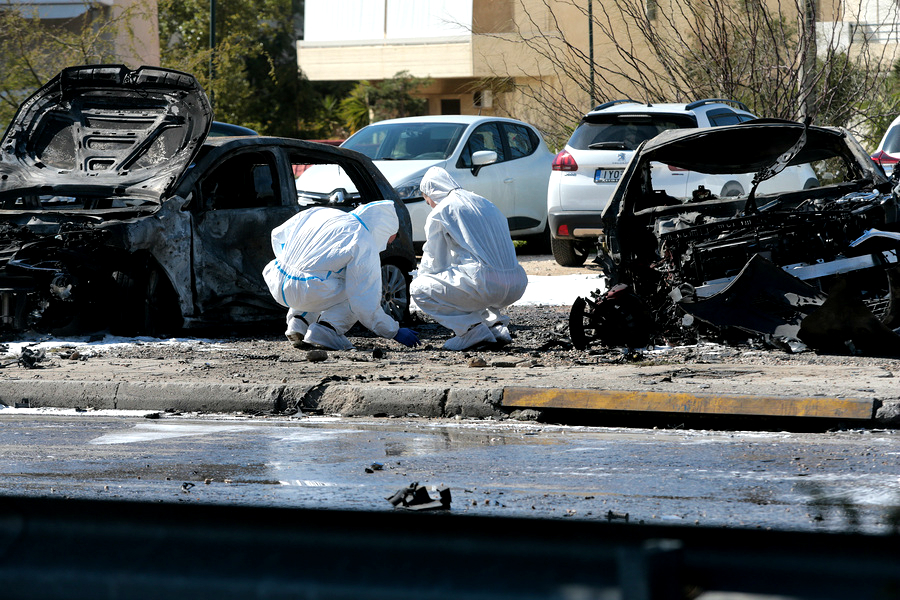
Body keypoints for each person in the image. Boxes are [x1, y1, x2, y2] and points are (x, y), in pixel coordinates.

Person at [262, 200, 420, 351]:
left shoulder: (324, 213)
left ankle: (298, 323)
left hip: (278, 280)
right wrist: (393, 331)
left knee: (318, 275)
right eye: (392, 238)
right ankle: (326, 330)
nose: (390, 244)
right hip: (309, 290)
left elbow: (277, 234)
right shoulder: (362, 238)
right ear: (384, 229)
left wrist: (290, 265)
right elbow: (365, 301)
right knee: (356, 288)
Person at [411, 167, 528, 350]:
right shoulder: (486, 203)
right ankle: (495, 326)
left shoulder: (442, 210)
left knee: (420, 288)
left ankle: (471, 331)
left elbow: (435, 262)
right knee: (466, 279)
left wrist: (420, 276)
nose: (430, 205)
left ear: (432, 193)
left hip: (484, 284)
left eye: (428, 201)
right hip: (516, 283)